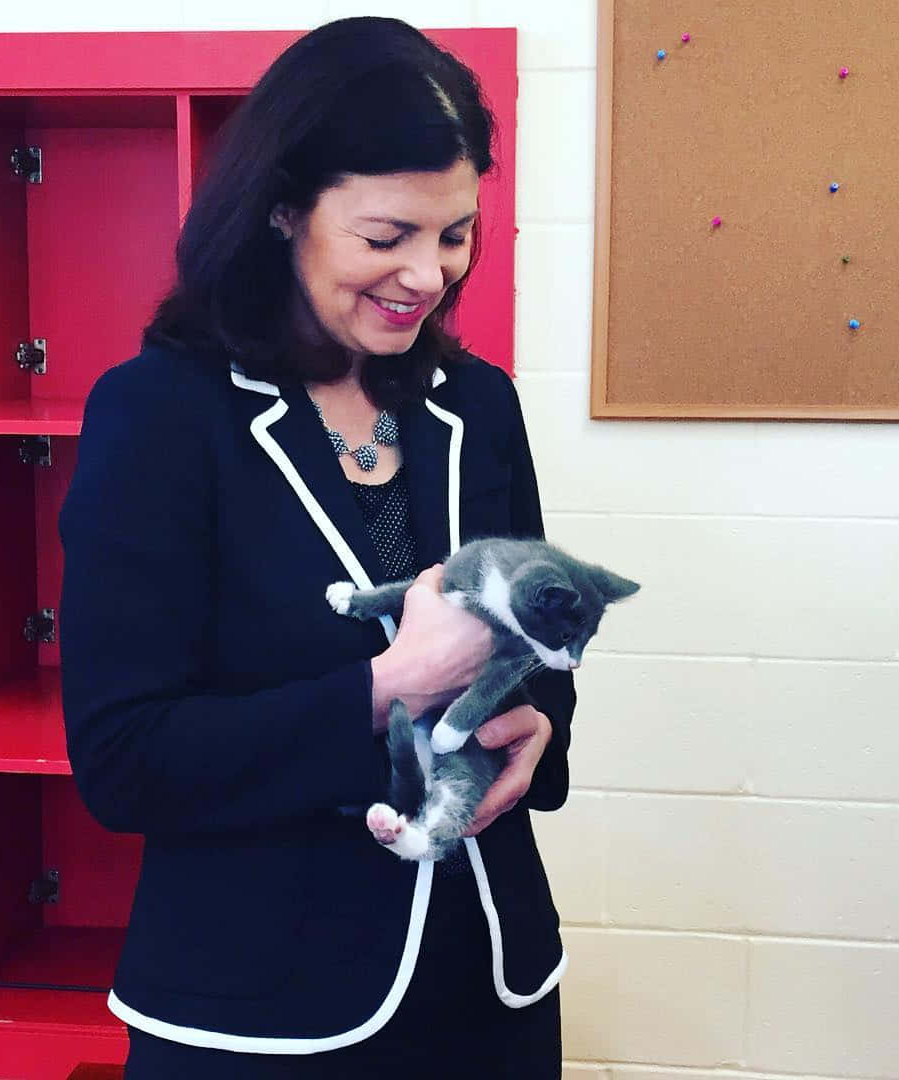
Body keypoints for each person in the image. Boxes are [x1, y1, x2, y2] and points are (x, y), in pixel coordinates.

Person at [58, 16, 576, 1078]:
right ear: (281, 209)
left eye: (456, 234)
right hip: (259, 1015)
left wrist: (538, 729)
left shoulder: (477, 405)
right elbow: (126, 761)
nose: (428, 275)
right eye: (387, 237)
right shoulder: (159, 415)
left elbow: (537, 645)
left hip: (489, 981)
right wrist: (386, 686)